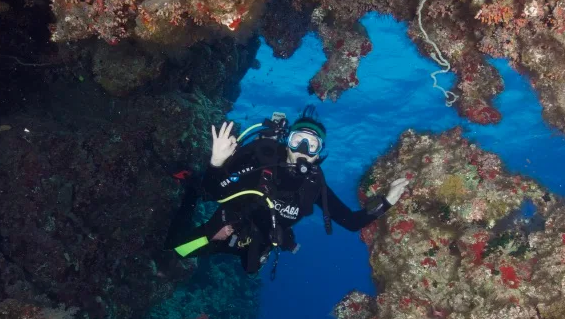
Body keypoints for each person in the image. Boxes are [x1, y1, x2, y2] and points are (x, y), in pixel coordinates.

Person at [168, 108, 409, 276]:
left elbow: (351, 222)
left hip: (262, 237)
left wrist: (387, 201)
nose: (303, 149)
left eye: (312, 145)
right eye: (298, 140)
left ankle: (240, 248)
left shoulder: (315, 186)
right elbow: (213, 191)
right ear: (287, 142)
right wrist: (217, 162)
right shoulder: (263, 164)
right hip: (230, 222)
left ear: (318, 154)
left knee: (251, 270)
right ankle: (189, 191)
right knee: (178, 249)